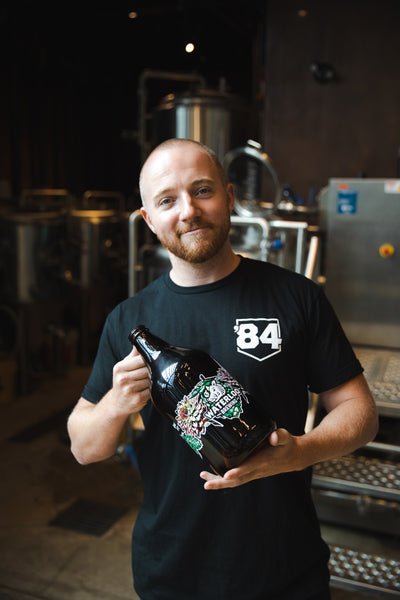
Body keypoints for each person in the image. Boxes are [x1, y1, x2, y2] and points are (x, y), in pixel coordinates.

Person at [67, 138, 378, 600]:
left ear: (230, 197)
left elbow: (361, 413)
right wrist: (114, 405)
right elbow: (83, 447)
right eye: (168, 200)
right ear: (150, 221)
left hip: (285, 570)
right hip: (173, 574)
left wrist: (303, 451)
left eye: (203, 190)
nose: (188, 210)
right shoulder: (128, 322)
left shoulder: (295, 297)